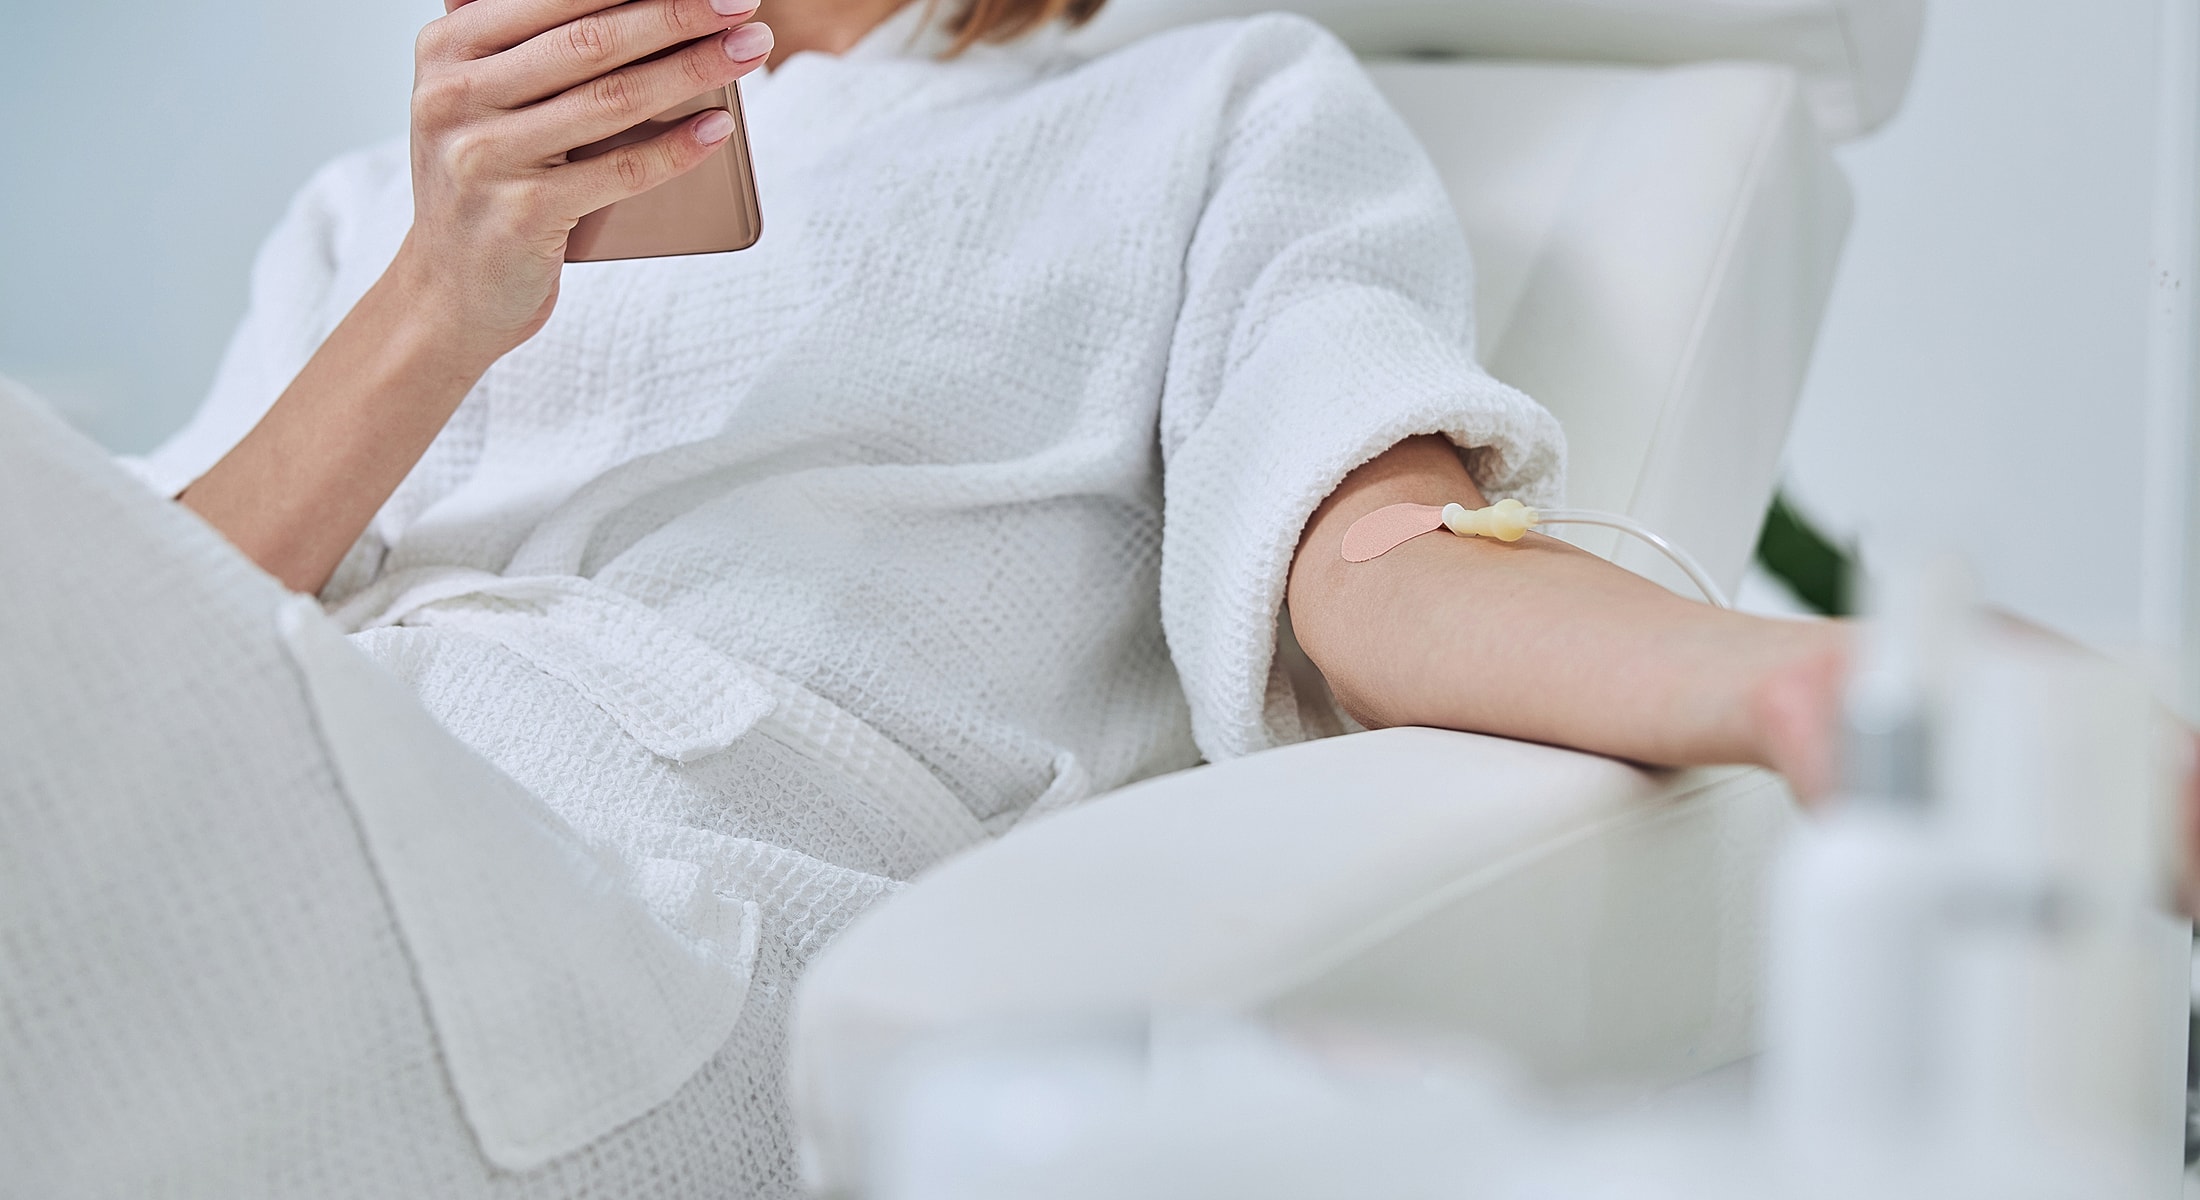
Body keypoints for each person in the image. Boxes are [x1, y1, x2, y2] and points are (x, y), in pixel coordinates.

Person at [1, 0, 1937, 1194]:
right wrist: (440, 299)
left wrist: (1798, 685)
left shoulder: (1202, 115)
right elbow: (115, 665)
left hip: (655, 954)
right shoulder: (394, 203)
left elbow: (1372, 571)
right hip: (292, 849)